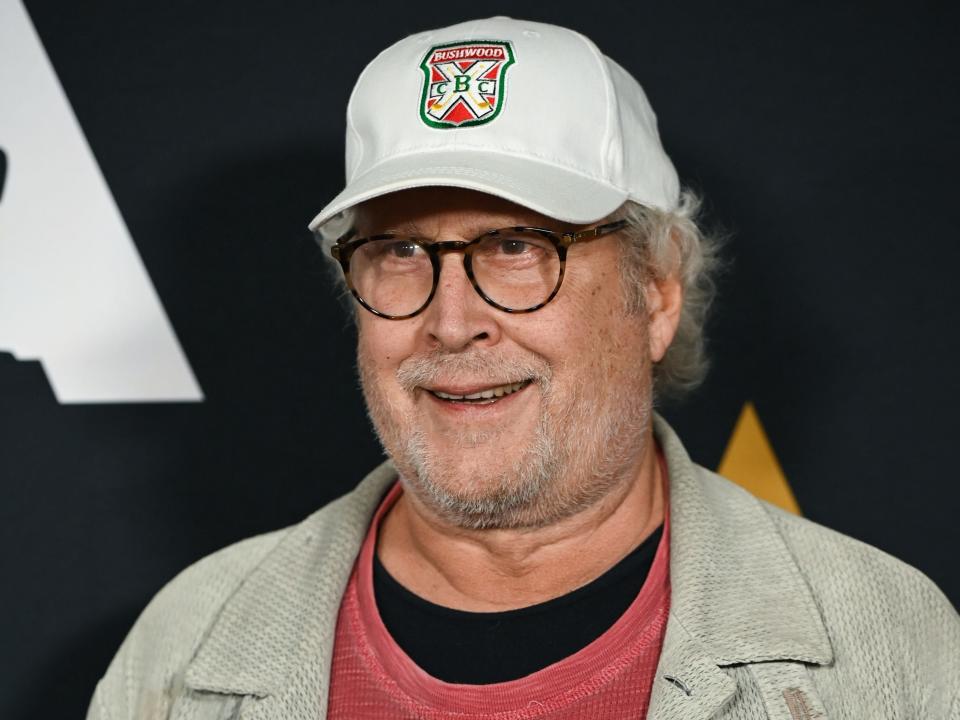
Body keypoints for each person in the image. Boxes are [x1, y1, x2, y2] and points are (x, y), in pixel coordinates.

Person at [87, 16, 959, 720]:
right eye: (399, 251)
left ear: (655, 295)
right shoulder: (188, 646)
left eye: (515, 247)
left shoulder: (888, 647)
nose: (451, 321)